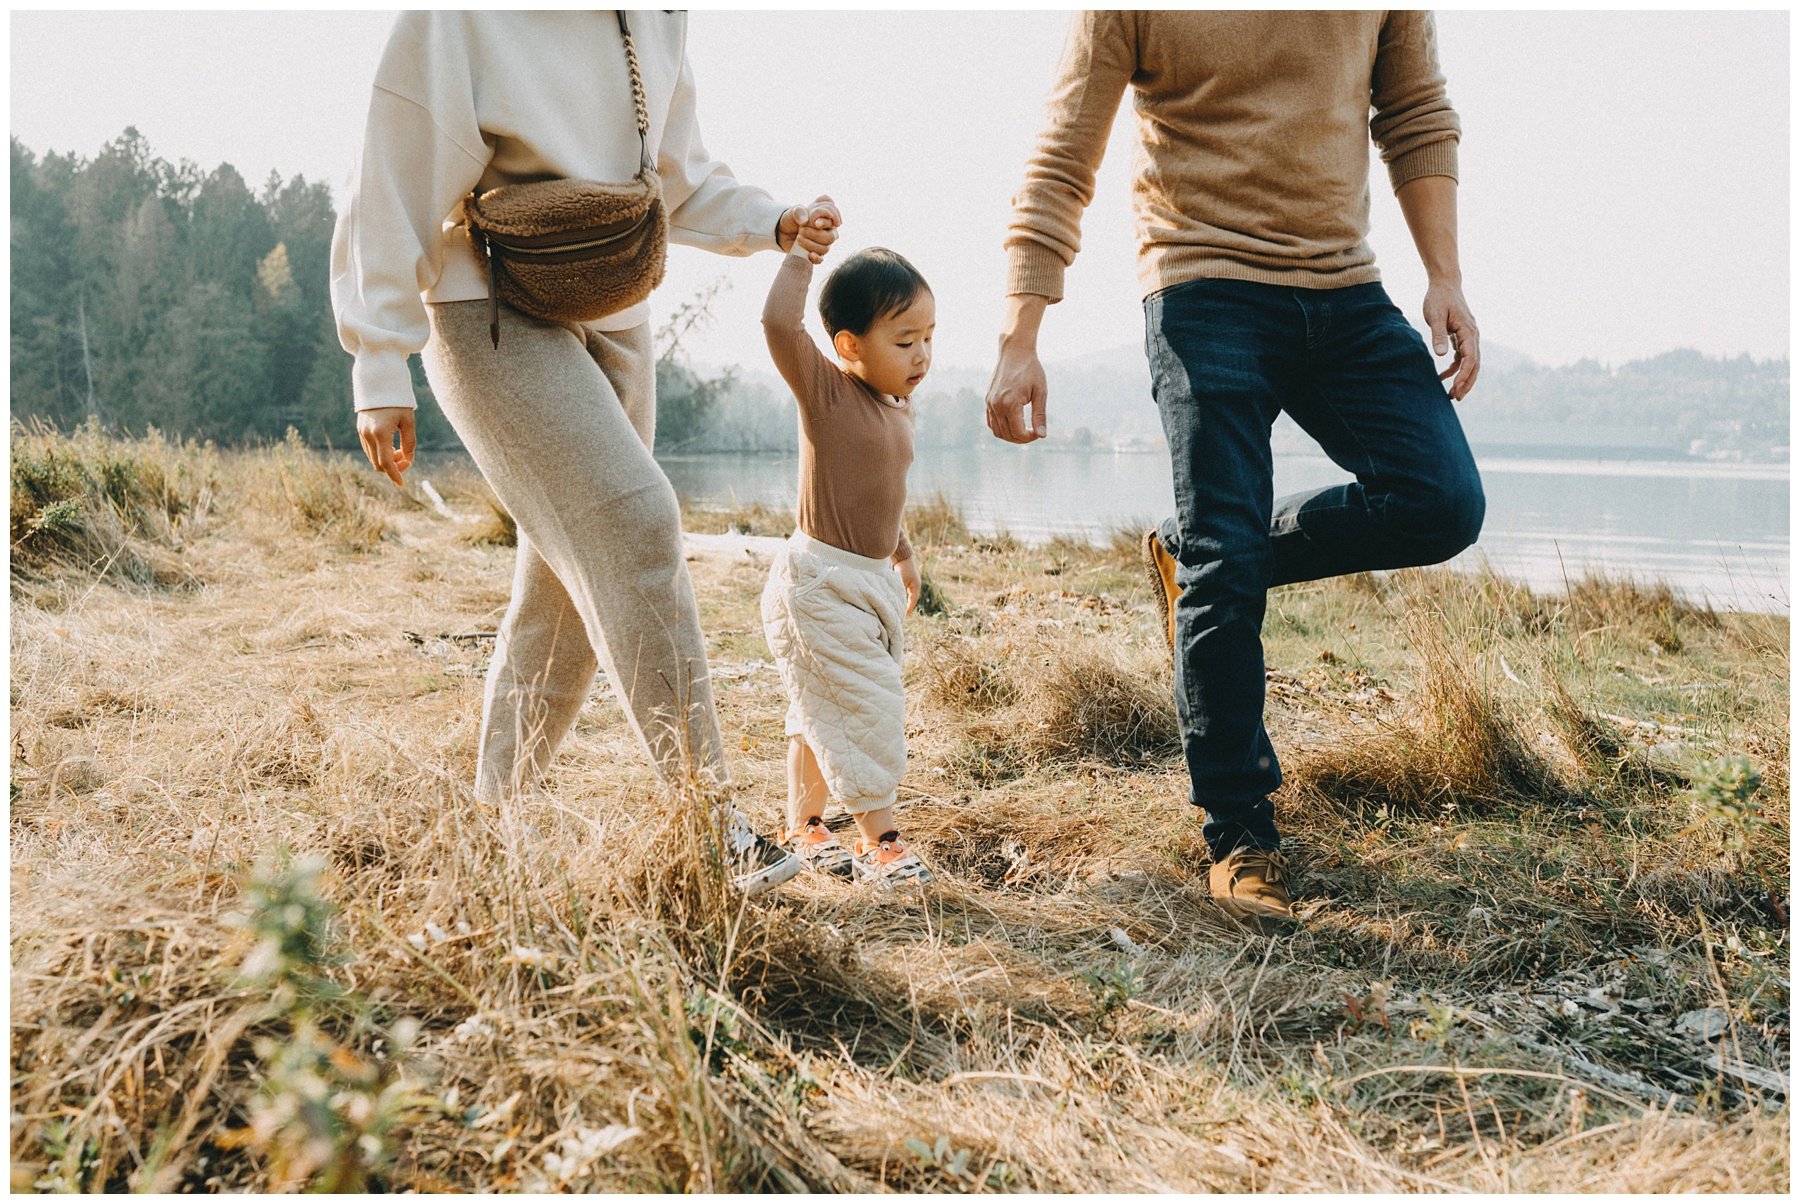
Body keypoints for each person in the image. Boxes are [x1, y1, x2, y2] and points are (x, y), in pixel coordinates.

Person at [986, 11, 1486, 923]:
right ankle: (1240, 830)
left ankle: (1202, 556)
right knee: (1229, 547)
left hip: (1344, 289)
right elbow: (1064, 155)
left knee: (1440, 502)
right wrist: (1021, 334)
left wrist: (1444, 273)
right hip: (1201, 282)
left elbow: (1415, 114)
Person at [330, 10, 840, 896]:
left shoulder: (657, 14)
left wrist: (773, 222)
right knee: (638, 524)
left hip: (618, 310)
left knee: (560, 594)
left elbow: (673, 179)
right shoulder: (458, 19)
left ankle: (488, 836)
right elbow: (392, 169)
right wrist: (379, 358)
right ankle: (710, 824)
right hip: (485, 306)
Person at [759, 237, 936, 888]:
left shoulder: (901, 407)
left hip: (868, 584)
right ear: (849, 345)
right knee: (865, 706)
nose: (921, 354)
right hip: (817, 584)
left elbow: (884, 487)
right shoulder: (827, 396)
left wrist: (904, 551)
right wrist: (802, 254)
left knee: (820, 704)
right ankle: (879, 843)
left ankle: (805, 827)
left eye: (928, 336)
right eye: (903, 339)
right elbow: (780, 324)